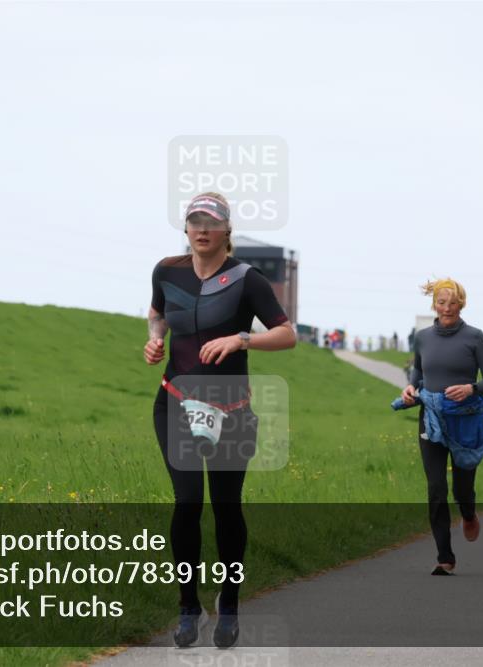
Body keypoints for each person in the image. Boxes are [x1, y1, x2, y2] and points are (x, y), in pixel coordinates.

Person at [145, 192, 296, 648]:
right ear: (185, 228)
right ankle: (188, 606)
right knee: (188, 502)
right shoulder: (166, 270)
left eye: (210, 221)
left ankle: (228, 602)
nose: (201, 228)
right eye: (194, 220)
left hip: (231, 410)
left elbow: (287, 334)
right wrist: (154, 340)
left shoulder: (246, 279)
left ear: (226, 229)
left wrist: (242, 340)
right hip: (174, 402)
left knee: (227, 507)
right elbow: (157, 314)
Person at [400, 278, 483, 575]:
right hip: (430, 418)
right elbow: (417, 374)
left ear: (461, 304)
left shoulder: (475, 337)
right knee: (436, 488)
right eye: (441, 302)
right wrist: (410, 389)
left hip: (465, 418)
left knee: (462, 488)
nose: (447, 308)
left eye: (453, 302)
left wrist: (471, 388)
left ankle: (468, 513)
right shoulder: (423, 337)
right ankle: (445, 556)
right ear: (434, 304)